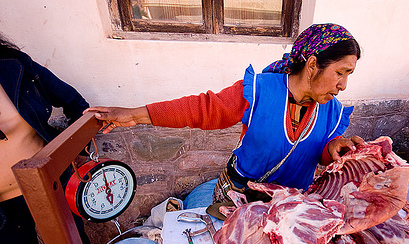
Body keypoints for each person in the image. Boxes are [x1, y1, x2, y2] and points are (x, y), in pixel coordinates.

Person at [86, 23, 365, 205]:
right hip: (239, 196)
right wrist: (136, 115)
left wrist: (334, 147)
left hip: (291, 206)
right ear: (313, 64)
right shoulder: (259, 90)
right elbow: (202, 109)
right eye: (340, 73)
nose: (343, 86)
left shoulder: (332, 111)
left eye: (348, 75)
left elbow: (322, 153)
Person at [0, 34, 93, 244]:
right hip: (3, 209)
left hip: (49, 184)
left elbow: (73, 101)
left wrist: (76, 149)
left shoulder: (13, 66)